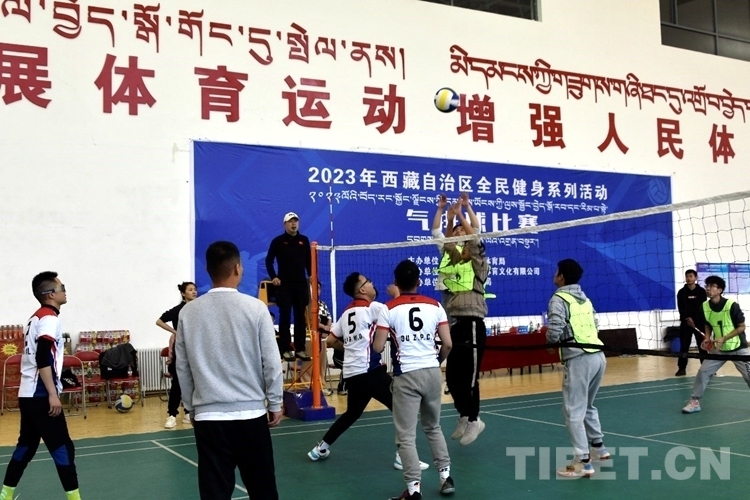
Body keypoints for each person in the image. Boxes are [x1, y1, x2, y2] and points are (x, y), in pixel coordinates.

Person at [176, 241, 283, 500]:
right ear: (237, 268)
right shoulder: (256, 308)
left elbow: (182, 367)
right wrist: (275, 402)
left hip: (209, 418)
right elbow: (272, 361)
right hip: (251, 416)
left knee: (214, 493)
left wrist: (191, 407)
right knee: (263, 491)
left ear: (207, 269)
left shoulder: (188, 313)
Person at [307, 273, 429, 471]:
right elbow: (398, 310)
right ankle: (403, 457)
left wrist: (351, 349)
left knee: (352, 413)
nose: (372, 283)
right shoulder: (373, 308)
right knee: (404, 409)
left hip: (352, 374)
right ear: (362, 289)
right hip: (371, 372)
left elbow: (330, 341)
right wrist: (397, 294)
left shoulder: (346, 313)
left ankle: (320, 448)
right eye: (368, 282)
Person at [374, 261, 454, 500]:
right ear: (419, 281)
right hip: (431, 372)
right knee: (433, 427)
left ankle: (413, 491)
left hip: (407, 375)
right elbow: (448, 344)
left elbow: (378, 346)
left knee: (406, 436)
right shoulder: (436, 305)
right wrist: (436, 362)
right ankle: (446, 477)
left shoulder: (388, 308)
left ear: (396, 283)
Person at [1, 272, 82, 500]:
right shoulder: (49, 319)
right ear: (50, 294)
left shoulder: (34, 318)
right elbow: (42, 356)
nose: (65, 291)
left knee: (26, 446)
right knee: (62, 449)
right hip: (40, 395)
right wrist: (52, 394)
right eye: (62, 287)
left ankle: (5, 495)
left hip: (27, 394)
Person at [546, 259, 610, 478]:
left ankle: (583, 462)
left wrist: (550, 344)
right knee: (587, 405)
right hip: (598, 356)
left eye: (556, 271)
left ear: (561, 276)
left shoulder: (558, 299)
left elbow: (555, 327)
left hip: (579, 359)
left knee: (573, 411)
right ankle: (598, 448)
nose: (554, 274)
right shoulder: (585, 299)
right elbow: (595, 325)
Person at [442, 198, 489, 446]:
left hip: (473, 323)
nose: (460, 237)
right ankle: (463, 414)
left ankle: (474, 419)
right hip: (456, 324)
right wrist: (450, 218)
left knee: (469, 377)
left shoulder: (478, 263)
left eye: (464, 233)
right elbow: (448, 244)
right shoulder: (457, 261)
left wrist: (462, 216)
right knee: (452, 377)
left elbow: (474, 238)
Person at [682, 275, 750, 414]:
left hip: (738, 347)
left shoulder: (732, 305)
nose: (708, 288)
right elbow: (707, 323)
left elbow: (742, 326)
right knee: (703, 372)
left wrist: (724, 338)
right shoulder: (705, 306)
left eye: (712, 286)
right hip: (718, 349)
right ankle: (695, 401)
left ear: (720, 290)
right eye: (707, 286)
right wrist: (707, 338)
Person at [265, 212, 312, 361]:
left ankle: (300, 349)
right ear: (285, 224)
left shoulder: (304, 240)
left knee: (300, 317)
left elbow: (309, 261)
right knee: (285, 316)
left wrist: (311, 276)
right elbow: (269, 261)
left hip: (300, 284)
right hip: (284, 284)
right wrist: (274, 277)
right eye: (290, 221)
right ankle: (285, 348)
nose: (293, 224)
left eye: (295, 221)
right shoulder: (278, 241)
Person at [156, 281, 198, 428]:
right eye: (190, 290)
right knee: (178, 383)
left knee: (193, 383)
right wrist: (175, 332)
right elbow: (159, 321)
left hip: (195, 349)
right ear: (183, 293)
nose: (194, 292)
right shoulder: (178, 310)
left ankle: (188, 412)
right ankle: (172, 415)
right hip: (181, 350)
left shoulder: (198, 308)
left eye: (195, 289)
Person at [675, 269, 707, 376]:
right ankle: (681, 368)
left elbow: (703, 308)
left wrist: (696, 321)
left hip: (699, 323)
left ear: (695, 278)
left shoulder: (701, 292)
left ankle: (706, 368)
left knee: (702, 346)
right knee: (684, 346)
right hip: (686, 323)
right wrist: (687, 319)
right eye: (687, 276)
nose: (688, 278)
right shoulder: (681, 292)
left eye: (690, 276)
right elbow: (681, 308)